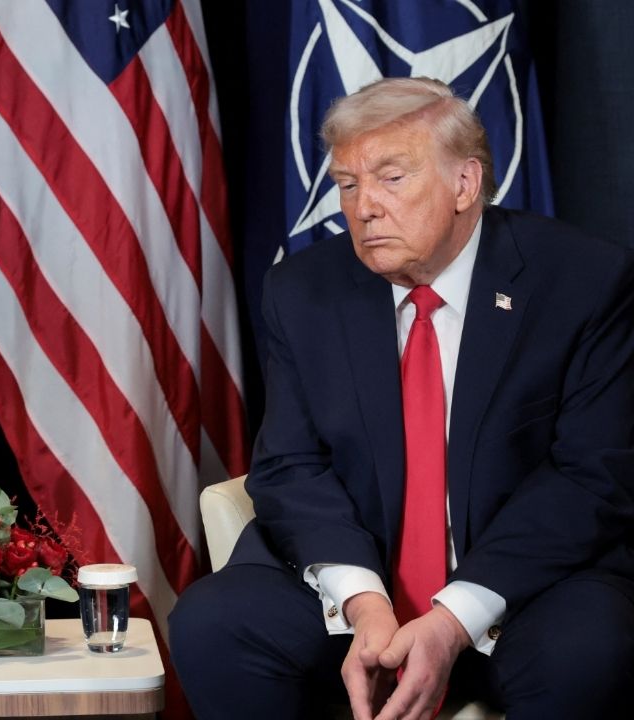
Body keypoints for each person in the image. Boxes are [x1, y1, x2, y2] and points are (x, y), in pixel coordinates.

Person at [170, 77, 634, 719]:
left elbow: (591, 476)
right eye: (348, 183)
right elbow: (290, 466)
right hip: (363, 583)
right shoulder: (303, 290)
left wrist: (452, 619)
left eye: (391, 178)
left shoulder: (582, 282)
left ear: (465, 185)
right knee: (213, 623)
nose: (363, 208)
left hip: (522, 588)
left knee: (589, 648)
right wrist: (364, 602)